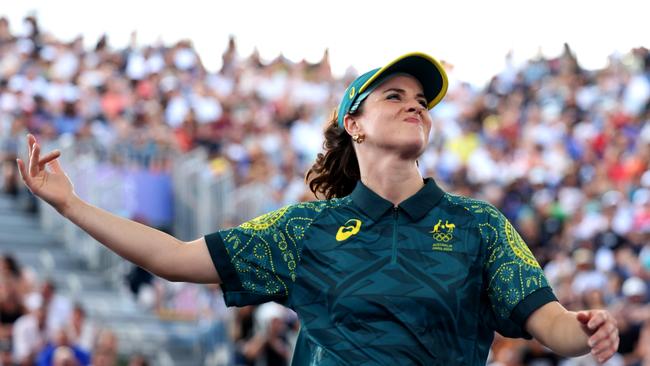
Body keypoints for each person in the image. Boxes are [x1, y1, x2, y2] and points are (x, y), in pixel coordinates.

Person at [16, 52, 619, 365]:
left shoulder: (478, 226)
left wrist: (583, 329)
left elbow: (550, 323)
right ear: (353, 123)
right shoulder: (306, 229)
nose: (417, 106)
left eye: (422, 101)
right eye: (395, 95)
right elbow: (173, 257)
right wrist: (71, 205)